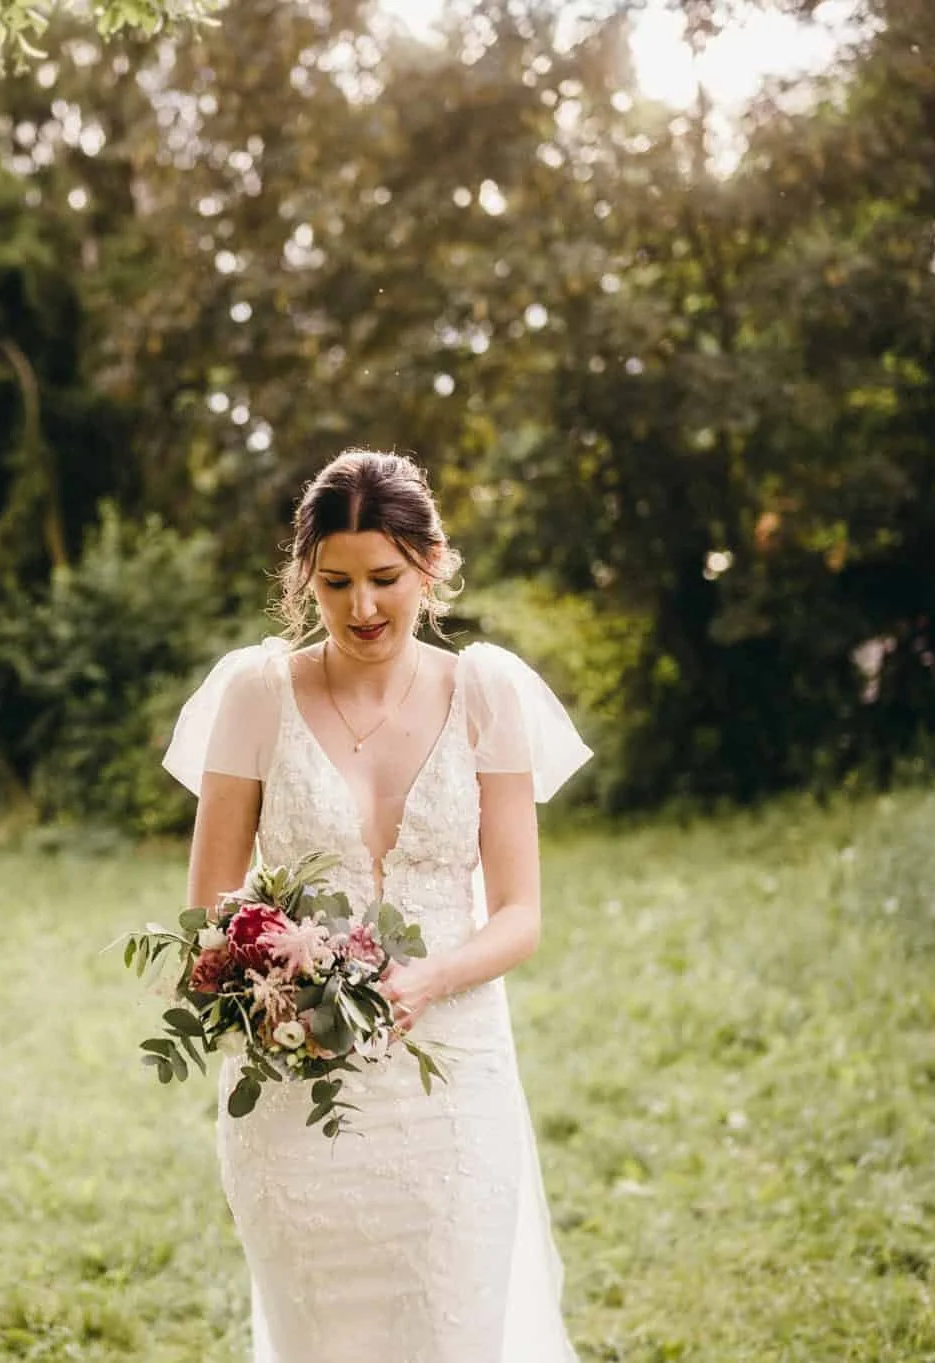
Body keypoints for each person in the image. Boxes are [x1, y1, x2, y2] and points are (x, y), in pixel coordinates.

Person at [162, 449, 592, 1363]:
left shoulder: (485, 692)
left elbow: (520, 912)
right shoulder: (255, 695)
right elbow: (209, 903)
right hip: (297, 1087)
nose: (363, 608)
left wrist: (430, 978)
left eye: (386, 579)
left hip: (453, 1077)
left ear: (431, 565)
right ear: (304, 579)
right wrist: (278, 972)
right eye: (337, 583)